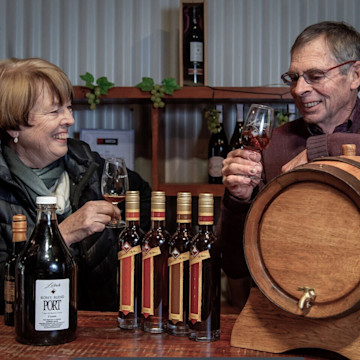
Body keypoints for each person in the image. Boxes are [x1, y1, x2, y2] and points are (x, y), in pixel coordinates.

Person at [218, 21, 360, 297]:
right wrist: (237, 200)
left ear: (355, 75)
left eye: (315, 76)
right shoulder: (274, 145)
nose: (298, 89)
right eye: (294, 78)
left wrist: (322, 148)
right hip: (288, 309)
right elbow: (235, 266)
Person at [0, 57, 152, 313]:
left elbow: (143, 195)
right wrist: (62, 235)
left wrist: (129, 239)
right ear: (15, 125)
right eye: (54, 111)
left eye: (69, 107)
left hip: (96, 327)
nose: (69, 119)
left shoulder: (87, 162)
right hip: (23, 335)